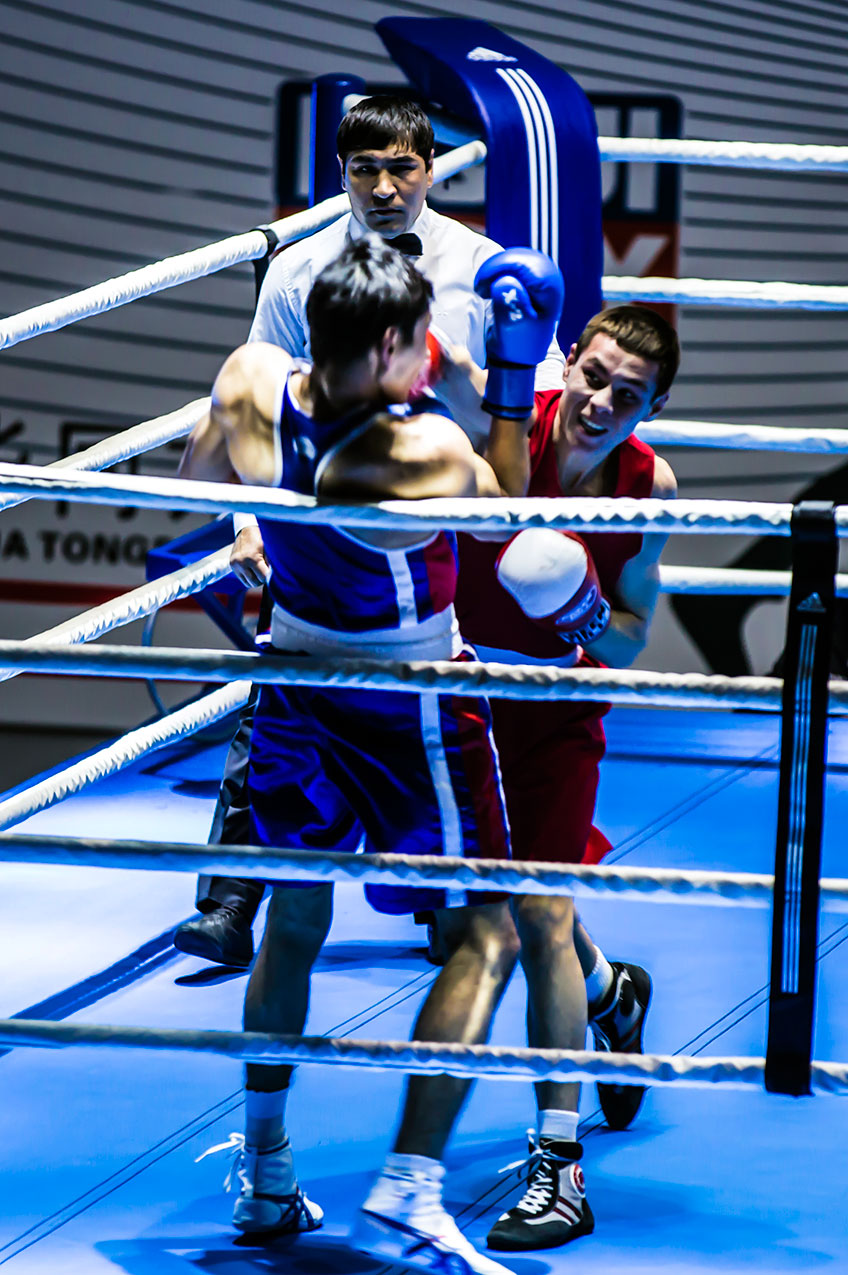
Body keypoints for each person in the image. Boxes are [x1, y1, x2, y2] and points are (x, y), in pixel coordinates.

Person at [182, 236, 564, 1275]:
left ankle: (265, 1176)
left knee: (295, 918)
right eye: (420, 346)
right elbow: (520, 534)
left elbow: (195, 498)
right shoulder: (418, 453)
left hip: (293, 674)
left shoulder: (251, 378)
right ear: (393, 342)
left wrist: (261, 546)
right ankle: (407, 1193)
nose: (433, 357)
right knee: (484, 931)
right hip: (406, 698)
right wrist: (516, 375)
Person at [174, 93, 564, 967]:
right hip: (318, 494)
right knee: (289, 669)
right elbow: (249, 401)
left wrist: (496, 385)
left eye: (403, 168)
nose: (384, 187)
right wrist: (250, 520)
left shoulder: (484, 265)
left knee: (410, 698)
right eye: (364, 170)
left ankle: (452, 907)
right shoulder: (296, 271)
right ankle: (236, 895)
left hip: (433, 501)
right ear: (341, 172)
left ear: (433, 167)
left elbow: (523, 419)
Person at [444, 303, 679, 1253]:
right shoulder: (498, 422)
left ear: (652, 405)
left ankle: (558, 1165)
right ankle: (613, 991)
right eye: (594, 374)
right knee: (491, 905)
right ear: (570, 357)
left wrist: (581, 612)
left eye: (628, 394)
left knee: (533, 914)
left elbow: (630, 633)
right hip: (458, 696)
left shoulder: (648, 485)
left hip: (556, 716)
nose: (602, 401)